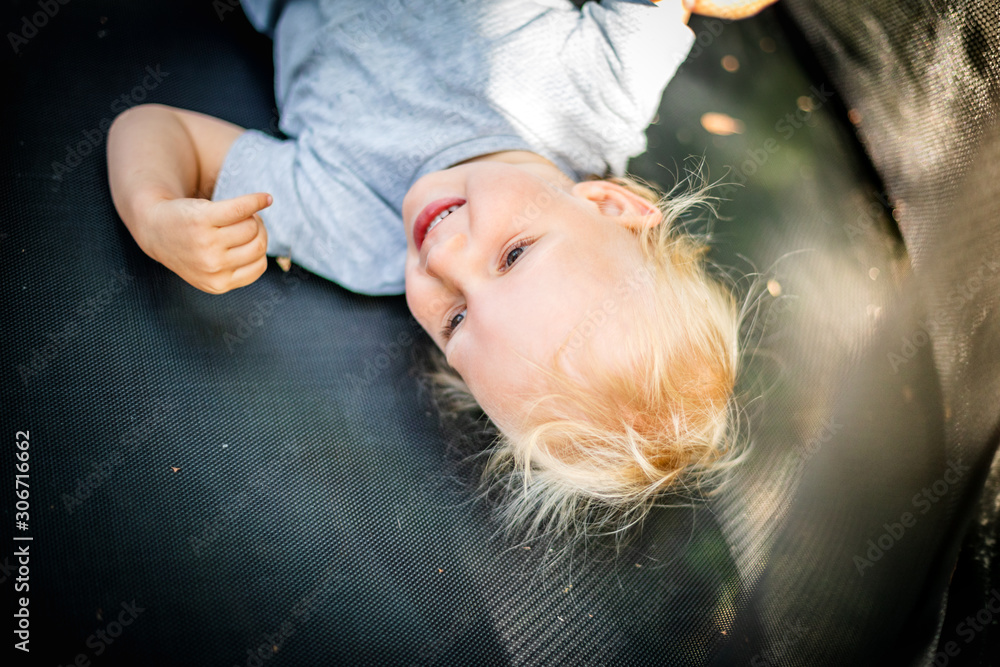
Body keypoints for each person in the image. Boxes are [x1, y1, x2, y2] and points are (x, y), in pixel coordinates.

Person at [106, 0, 777, 544]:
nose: (444, 256)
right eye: (514, 255)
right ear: (609, 203)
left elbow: (160, 130)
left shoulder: (356, 232)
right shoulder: (595, 94)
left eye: (455, 318)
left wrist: (156, 211)